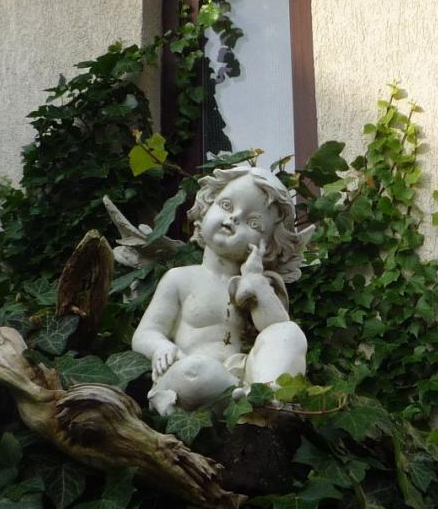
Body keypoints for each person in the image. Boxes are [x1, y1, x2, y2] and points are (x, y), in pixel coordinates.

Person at [132, 165, 312, 415]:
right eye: (226, 205)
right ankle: (243, 402)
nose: (234, 218)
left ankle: (264, 399)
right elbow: (145, 333)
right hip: (192, 371)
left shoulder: (260, 284)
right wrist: (160, 347)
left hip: (243, 377)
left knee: (289, 332)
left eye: (253, 222)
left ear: (268, 246)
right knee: (195, 370)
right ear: (206, 206)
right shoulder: (180, 278)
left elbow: (276, 330)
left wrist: (255, 279)